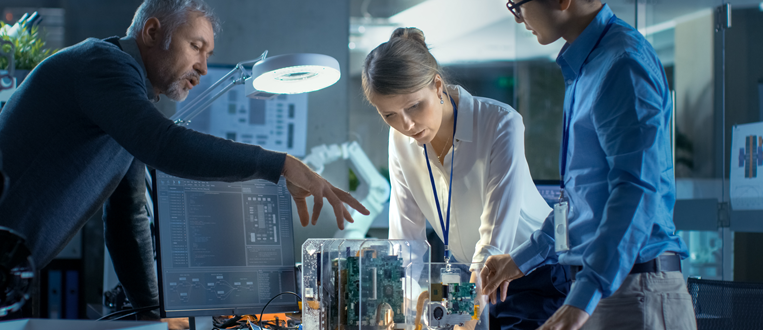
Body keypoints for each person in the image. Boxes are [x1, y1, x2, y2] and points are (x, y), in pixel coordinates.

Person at [0, 0, 368, 325]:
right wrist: (281, 164)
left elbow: (127, 215)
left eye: (208, 54)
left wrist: (151, 310)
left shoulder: (125, 101)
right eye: (196, 47)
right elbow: (165, 145)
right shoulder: (102, 65)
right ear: (152, 31)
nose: (204, 68)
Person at [480, 1, 696, 330]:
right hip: (606, 287)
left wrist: (585, 295)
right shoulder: (588, 66)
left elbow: (636, 190)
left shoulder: (622, 63)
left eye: (517, 4)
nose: (517, 17)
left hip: (634, 290)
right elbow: (582, 202)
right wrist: (520, 260)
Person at [362, 27, 570, 330]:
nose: (406, 124)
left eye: (413, 106)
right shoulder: (400, 139)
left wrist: (470, 312)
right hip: (468, 277)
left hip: (534, 273)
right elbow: (405, 240)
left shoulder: (499, 122)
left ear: (437, 86)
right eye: (389, 114)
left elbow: (494, 240)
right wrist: (401, 305)